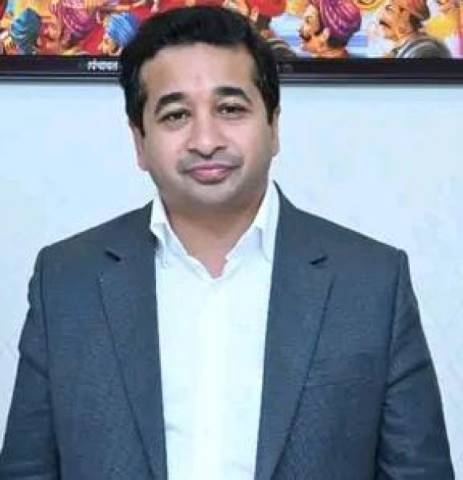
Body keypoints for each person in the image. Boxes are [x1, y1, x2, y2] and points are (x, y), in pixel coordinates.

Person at [0, 5, 455, 480]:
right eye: (176, 114)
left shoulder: (371, 282)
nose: (206, 140)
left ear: (273, 126)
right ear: (140, 141)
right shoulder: (67, 281)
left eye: (230, 109)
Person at [378, 0, 451, 57]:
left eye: (389, 9)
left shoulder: (424, 51)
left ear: (405, 16)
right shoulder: (402, 50)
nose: (380, 17)